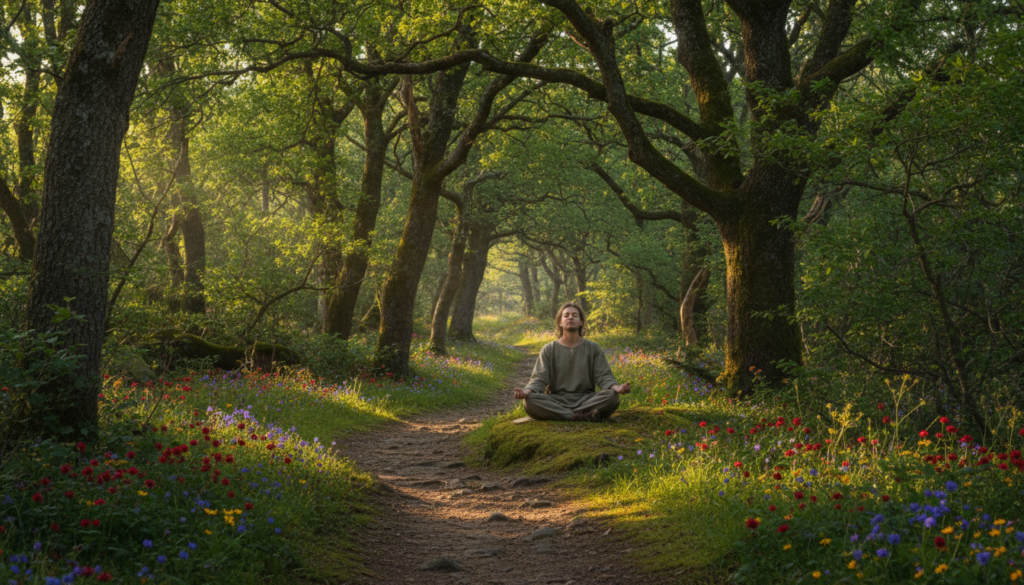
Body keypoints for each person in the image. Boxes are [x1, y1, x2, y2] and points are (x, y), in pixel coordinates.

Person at [513, 302, 630, 422]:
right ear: (560, 322)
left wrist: (618, 388)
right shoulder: (549, 349)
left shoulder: (593, 348)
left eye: (574, 315)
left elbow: (604, 376)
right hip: (556, 400)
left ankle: (564, 415)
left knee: (612, 396)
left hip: (586, 399)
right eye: (566, 315)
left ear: (581, 322)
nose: (570, 317)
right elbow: (539, 379)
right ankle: (578, 416)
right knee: (529, 400)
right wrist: (525, 392)